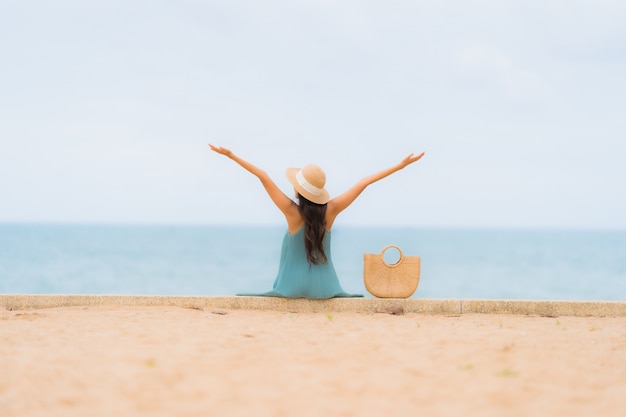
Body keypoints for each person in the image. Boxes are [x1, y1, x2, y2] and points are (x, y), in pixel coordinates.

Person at [209, 144, 425, 299]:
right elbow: (364, 182)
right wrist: (400, 166)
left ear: (298, 190)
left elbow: (263, 176)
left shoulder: (290, 211)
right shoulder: (331, 210)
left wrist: (231, 155)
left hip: (290, 288)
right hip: (324, 289)